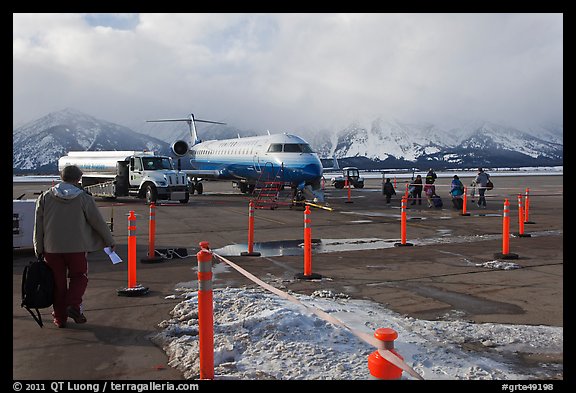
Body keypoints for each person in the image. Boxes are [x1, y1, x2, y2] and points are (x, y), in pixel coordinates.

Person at [34, 165, 115, 328]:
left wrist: (38, 247)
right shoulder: (84, 198)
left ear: (61, 177)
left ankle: (60, 318)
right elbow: (97, 222)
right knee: (79, 277)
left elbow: (38, 225)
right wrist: (109, 240)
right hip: (77, 247)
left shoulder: (45, 197)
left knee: (58, 283)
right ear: (78, 179)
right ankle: (73, 305)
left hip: (52, 248)